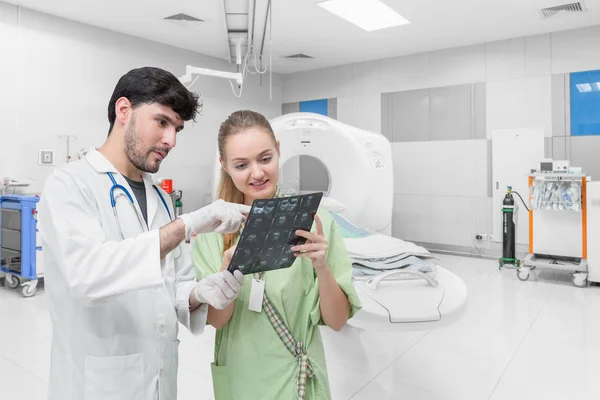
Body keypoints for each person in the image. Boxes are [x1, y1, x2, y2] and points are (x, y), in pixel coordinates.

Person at [38, 67, 249, 400]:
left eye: (177, 129)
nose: (171, 140)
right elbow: (87, 275)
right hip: (98, 384)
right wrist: (188, 224)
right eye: (162, 122)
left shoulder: (161, 199)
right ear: (124, 111)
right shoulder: (70, 185)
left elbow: (172, 284)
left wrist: (199, 294)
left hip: (161, 380)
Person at [192, 110, 362, 400]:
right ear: (224, 166)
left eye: (265, 158)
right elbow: (217, 322)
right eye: (242, 164)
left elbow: (337, 321)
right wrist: (227, 271)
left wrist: (322, 267)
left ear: (279, 151)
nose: (257, 173)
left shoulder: (315, 220)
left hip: (297, 375)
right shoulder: (212, 231)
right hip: (243, 376)